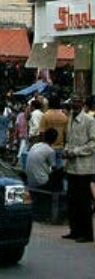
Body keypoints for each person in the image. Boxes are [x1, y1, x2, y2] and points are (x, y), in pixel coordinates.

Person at [62, 98, 95, 243]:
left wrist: (75, 151)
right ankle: (74, 231)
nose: (74, 105)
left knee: (83, 202)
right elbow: (68, 140)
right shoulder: (70, 118)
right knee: (72, 200)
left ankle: (87, 233)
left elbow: (93, 143)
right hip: (71, 167)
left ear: (82, 104)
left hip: (84, 168)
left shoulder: (89, 120)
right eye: (72, 102)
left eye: (77, 102)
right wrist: (66, 150)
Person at [39, 92, 68, 168]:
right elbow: (65, 134)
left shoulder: (45, 116)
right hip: (60, 147)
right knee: (59, 170)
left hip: (47, 147)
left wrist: (42, 146)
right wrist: (64, 146)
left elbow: (42, 133)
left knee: (47, 169)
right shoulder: (64, 116)